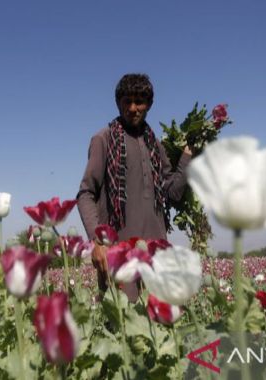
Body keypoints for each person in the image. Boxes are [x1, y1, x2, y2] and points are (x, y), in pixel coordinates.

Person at [76, 73, 192, 291]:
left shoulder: (155, 146)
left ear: (149, 104)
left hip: (157, 257)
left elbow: (173, 192)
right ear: (118, 103)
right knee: (123, 321)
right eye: (126, 101)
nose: (132, 108)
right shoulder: (104, 139)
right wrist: (97, 242)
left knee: (159, 322)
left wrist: (187, 158)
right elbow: (86, 194)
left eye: (139, 102)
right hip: (120, 257)